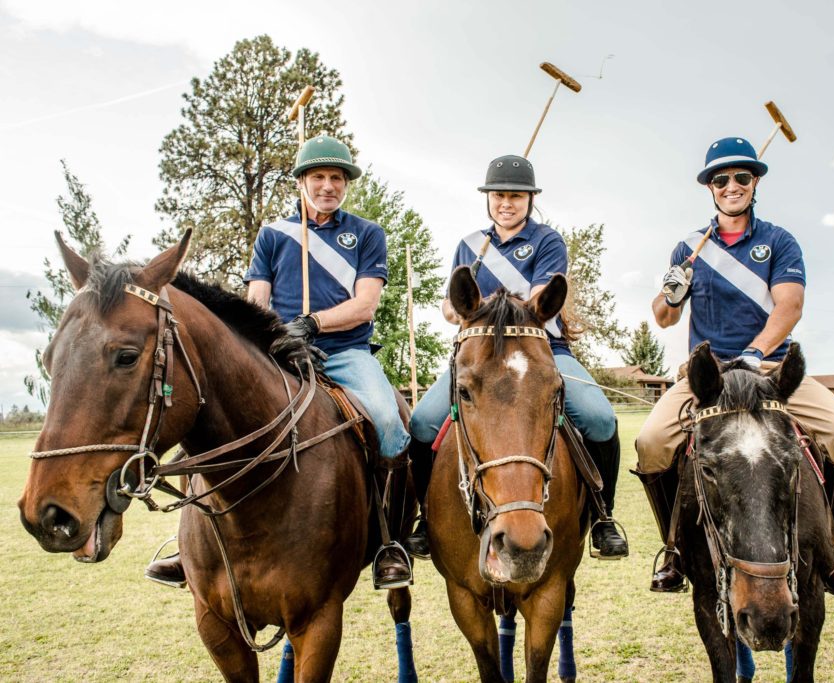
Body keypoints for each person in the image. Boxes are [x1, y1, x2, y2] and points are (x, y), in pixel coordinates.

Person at [144, 134, 413, 590]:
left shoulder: (367, 234)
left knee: (388, 421)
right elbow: (257, 299)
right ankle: (186, 542)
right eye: (318, 177)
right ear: (302, 182)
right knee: (215, 422)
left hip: (346, 352)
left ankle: (391, 539)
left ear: (345, 183)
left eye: (335, 177)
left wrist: (312, 323)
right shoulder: (273, 235)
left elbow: (366, 305)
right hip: (281, 352)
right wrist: (271, 333)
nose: (327, 185)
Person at [634, 136, 834, 595]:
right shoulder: (688, 247)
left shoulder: (778, 241)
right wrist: (671, 291)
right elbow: (663, 318)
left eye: (741, 177)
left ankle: (831, 548)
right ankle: (676, 549)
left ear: (755, 182)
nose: (731, 186)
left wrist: (756, 352)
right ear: (710, 189)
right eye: (720, 180)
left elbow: (791, 306)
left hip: (771, 372)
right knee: (651, 443)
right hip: (708, 378)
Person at [402, 154, 627, 559]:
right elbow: (451, 307)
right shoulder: (470, 245)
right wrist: (456, 307)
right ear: (488, 199)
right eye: (499, 195)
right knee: (421, 422)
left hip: (541, 352)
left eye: (516, 197)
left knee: (599, 418)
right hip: (480, 358)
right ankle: (423, 517)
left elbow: (542, 298)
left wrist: (488, 305)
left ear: (530, 199)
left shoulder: (546, 241)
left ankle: (603, 516)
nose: (507, 203)